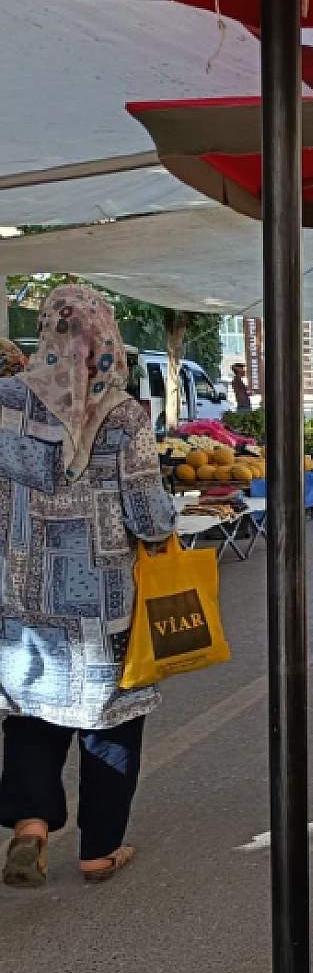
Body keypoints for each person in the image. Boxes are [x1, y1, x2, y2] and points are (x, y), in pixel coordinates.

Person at [0, 285, 177, 888]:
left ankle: (30, 826)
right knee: (110, 719)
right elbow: (148, 513)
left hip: (23, 592)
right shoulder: (123, 413)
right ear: (105, 336)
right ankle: (99, 851)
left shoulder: (6, 401)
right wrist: (161, 531)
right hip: (102, 601)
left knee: (30, 711)